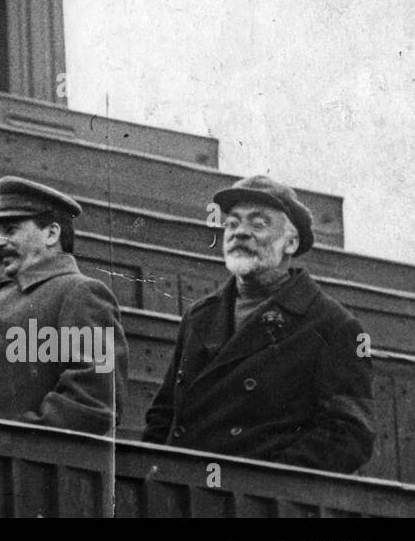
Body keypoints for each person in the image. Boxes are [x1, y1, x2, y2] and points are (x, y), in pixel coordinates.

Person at [143, 175, 374, 473]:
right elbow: (163, 415)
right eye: (232, 223)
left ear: (290, 242)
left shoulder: (332, 325)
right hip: (181, 493)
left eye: (258, 223)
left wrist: (259, 483)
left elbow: (348, 436)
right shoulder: (200, 316)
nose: (240, 233)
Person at [0, 177, 128, 436]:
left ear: (51, 234)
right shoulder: (2, 298)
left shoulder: (81, 293)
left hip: (15, 470)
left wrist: (11, 441)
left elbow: (95, 400)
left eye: (10, 230)